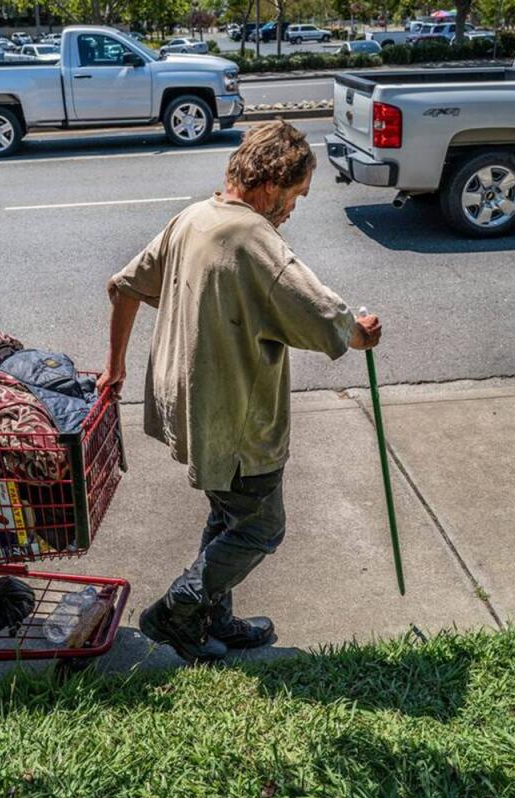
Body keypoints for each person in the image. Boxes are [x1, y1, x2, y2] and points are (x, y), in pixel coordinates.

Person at [99, 120, 382, 663]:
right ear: (272, 183)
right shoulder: (255, 238)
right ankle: (179, 610)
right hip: (237, 417)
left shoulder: (193, 217)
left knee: (228, 511)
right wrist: (360, 333)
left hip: (191, 406)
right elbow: (325, 313)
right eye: (296, 195)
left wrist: (115, 369)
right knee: (261, 528)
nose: (294, 209)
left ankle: (215, 619)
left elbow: (123, 285)